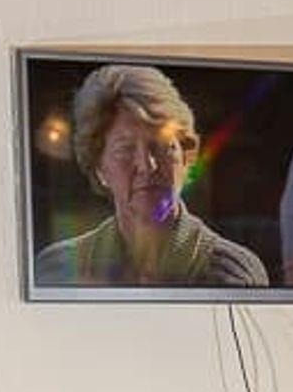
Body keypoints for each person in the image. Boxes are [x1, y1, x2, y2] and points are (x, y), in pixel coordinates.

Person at [34, 64, 267, 288]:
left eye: (163, 146)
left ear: (185, 159)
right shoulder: (56, 271)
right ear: (99, 170)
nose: (147, 165)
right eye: (125, 149)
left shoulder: (233, 274)